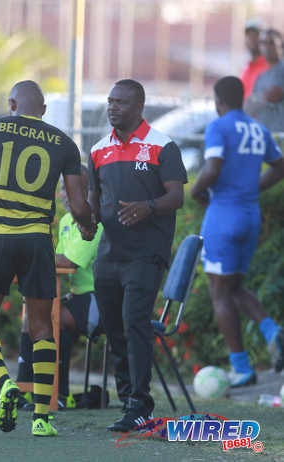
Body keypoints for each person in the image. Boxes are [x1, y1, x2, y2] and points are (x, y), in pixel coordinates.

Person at [0, 80, 94, 437]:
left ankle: (4, 383)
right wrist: (87, 228)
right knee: (42, 328)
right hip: (38, 243)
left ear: (12, 103)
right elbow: (77, 202)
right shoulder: (64, 144)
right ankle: (41, 418)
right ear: (42, 110)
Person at [88, 79, 187, 432]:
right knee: (113, 328)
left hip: (146, 254)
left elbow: (176, 197)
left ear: (139, 107)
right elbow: (95, 199)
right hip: (109, 255)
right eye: (110, 101)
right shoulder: (99, 149)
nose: (113, 107)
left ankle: (140, 404)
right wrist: (87, 219)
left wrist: (147, 207)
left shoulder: (162, 145)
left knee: (135, 324)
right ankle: (128, 398)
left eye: (121, 103)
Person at [191, 76, 284, 387]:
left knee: (219, 292)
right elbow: (280, 167)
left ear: (219, 101)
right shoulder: (257, 127)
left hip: (224, 215)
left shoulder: (219, 126)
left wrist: (195, 190)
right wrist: (251, 188)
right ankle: (272, 331)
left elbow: (213, 167)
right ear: (242, 98)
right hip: (249, 214)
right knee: (234, 287)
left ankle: (241, 368)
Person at [16, 165, 104, 409]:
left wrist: (26, 256)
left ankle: (58, 395)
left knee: (51, 318)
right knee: (32, 313)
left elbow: (69, 262)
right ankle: (25, 389)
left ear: (89, 192)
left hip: (101, 299)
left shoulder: (94, 219)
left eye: (74, 189)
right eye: (64, 188)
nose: (66, 194)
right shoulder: (66, 220)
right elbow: (55, 264)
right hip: (77, 297)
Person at [245, 29, 284, 132]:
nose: (267, 47)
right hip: (267, 136)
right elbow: (250, 106)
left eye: (271, 43)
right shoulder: (261, 77)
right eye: (262, 43)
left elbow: (274, 95)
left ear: (281, 46)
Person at [240, 19, 269, 100]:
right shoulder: (246, 69)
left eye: (256, 35)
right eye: (249, 35)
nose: (252, 39)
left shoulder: (271, 67)